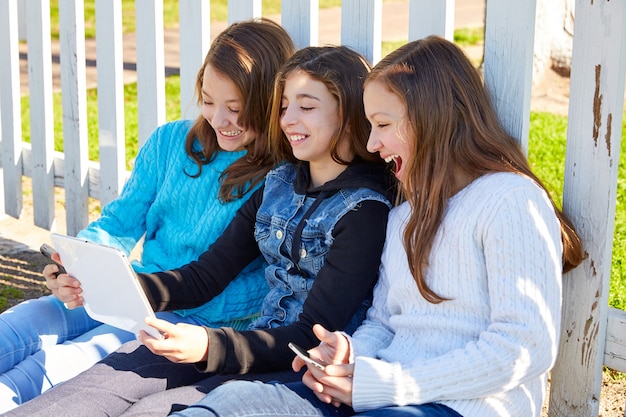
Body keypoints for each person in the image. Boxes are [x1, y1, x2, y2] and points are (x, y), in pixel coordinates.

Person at [164, 36, 584, 417]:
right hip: (380, 392)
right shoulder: (404, 215)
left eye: (382, 125)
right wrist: (348, 354)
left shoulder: (508, 199)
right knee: (232, 403)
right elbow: (383, 323)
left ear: (431, 119)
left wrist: (386, 384)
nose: (371, 144)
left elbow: (525, 346)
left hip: (458, 406)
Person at [7, 45, 397, 417]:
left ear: (348, 115)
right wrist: (101, 281)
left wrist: (210, 345)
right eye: (283, 107)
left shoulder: (363, 212)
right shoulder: (278, 184)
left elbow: (310, 337)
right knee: (106, 380)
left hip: (289, 369)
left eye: (306, 107)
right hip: (235, 347)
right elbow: (204, 276)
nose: (287, 120)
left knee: (149, 410)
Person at [0, 18, 296, 411]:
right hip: (130, 290)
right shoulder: (171, 142)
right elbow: (119, 223)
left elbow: (262, 287)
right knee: (22, 323)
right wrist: (78, 263)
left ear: (268, 103)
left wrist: (153, 299)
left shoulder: (279, 179)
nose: (219, 119)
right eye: (208, 101)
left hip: (190, 322)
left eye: (236, 109)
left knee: (60, 363)